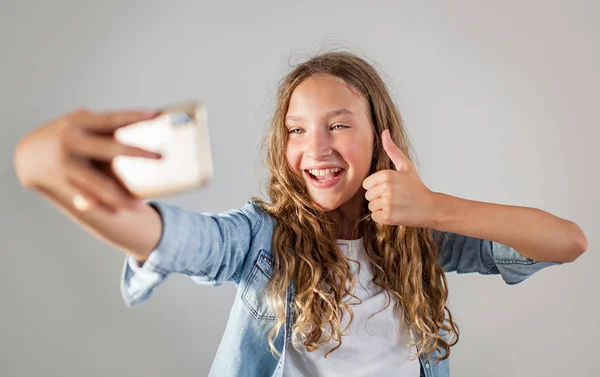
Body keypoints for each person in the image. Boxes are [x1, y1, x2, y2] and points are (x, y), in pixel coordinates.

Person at [13, 51, 587, 377]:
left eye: (338, 124)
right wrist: (46, 169)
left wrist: (433, 208)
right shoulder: (260, 240)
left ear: (380, 135)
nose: (316, 149)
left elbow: (566, 241)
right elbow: (169, 237)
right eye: (296, 130)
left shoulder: (424, 239)